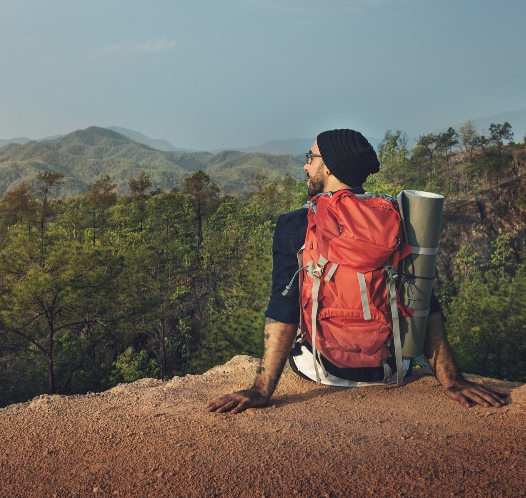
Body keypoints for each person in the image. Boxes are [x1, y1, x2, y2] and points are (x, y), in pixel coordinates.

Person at [206, 129, 509, 414]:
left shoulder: (296, 223)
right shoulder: (398, 219)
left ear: (330, 167)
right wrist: (452, 380)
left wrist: (261, 390)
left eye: (311, 159)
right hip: (392, 370)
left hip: (322, 372)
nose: (306, 167)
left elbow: (283, 308)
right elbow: (423, 298)